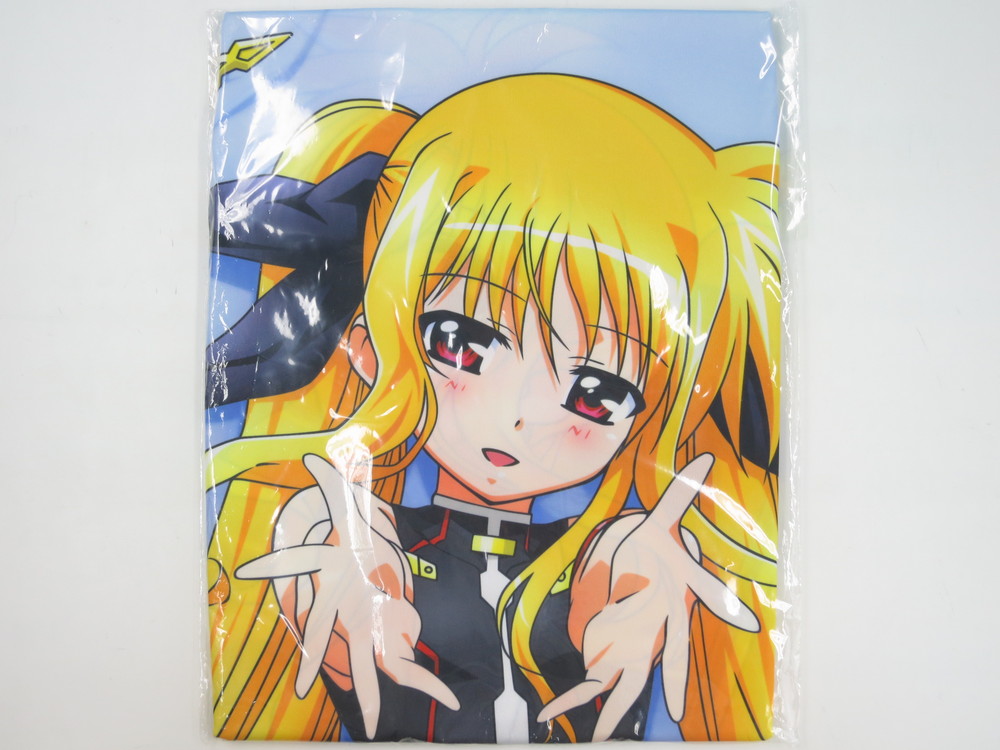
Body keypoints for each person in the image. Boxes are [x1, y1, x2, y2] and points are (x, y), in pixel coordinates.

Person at [205, 74, 781, 743]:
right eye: (461, 342)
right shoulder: (364, 538)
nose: (518, 417)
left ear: (647, 419)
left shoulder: (606, 562)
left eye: (597, 392)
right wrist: (332, 563)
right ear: (367, 346)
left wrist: (652, 572)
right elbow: (323, 533)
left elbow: (620, 568)